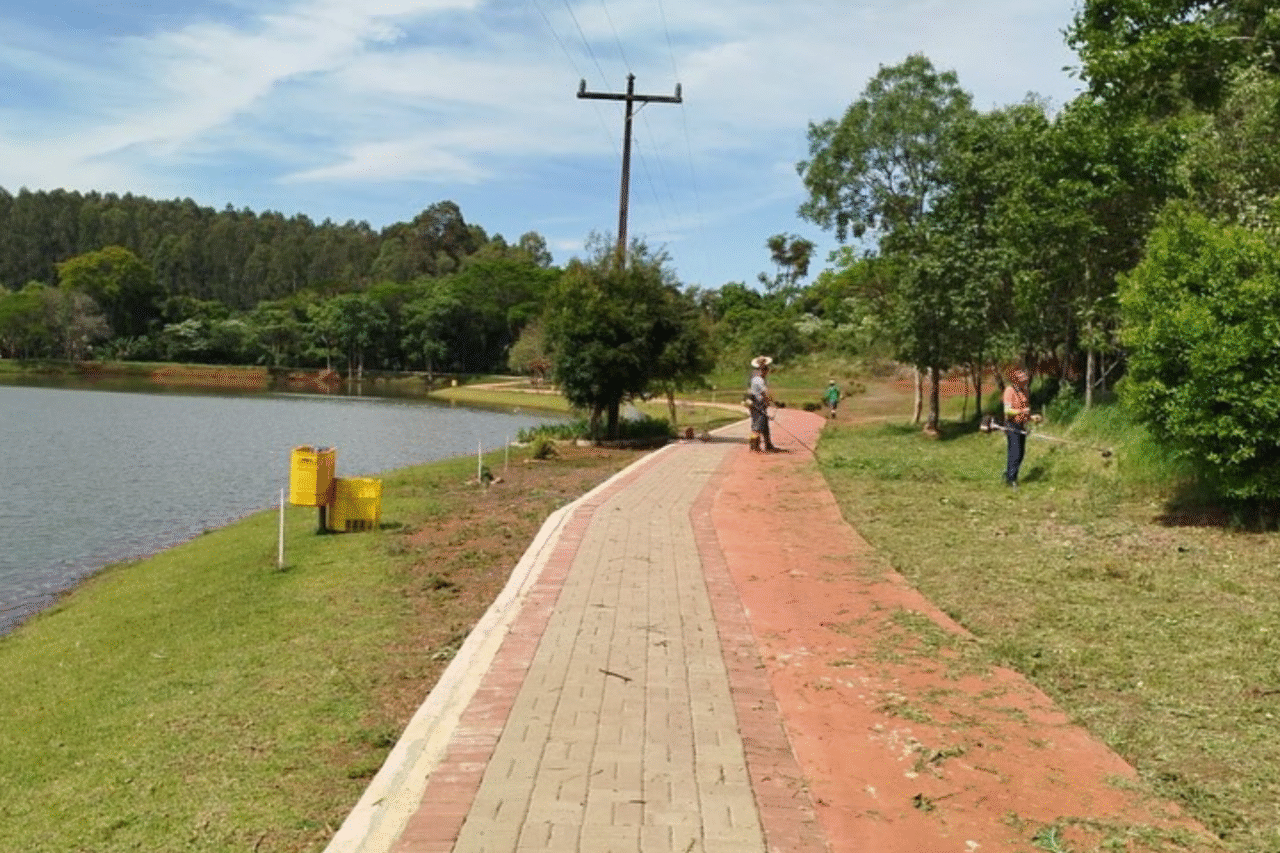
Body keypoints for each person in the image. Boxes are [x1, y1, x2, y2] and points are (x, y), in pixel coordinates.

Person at [1001, 367, 1039, 487]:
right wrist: (1022, 411)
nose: (1025, 379)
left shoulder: (1026, 391)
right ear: (1015, 379)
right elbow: (1007, 411)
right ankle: (1011, 480)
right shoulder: (1009, 391)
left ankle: (1008, 474)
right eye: (1022, 378)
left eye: (1025, 377)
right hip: (1011, 425)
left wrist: (1032, 418)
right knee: (1015, 451)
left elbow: (1025, 410)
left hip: (1021, 424)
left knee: (1021, 452)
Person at [747, 355, 778, 452]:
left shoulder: (758, 378)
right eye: (766, 369)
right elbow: (764, 393)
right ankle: (754, 446)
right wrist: (770, 402)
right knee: (757, 426)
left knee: (764, 426)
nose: (767, 371)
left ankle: (768, 445)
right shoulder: (758, 380)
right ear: (762, 369)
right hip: (757, 403)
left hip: (758, 402)